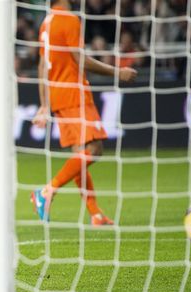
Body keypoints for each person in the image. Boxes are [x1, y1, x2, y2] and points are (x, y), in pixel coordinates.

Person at [31, 0, 137, 225]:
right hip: (74, 94)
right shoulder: (69, 19)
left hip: (58, 96)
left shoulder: (46, 22)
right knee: (94, 149)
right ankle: (48, 190)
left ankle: (95, 213)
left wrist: (44, 103)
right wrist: (118, 72)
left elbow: (42, 65)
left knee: (79, 155)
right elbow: (81, 60)